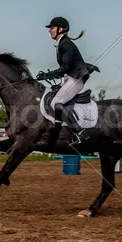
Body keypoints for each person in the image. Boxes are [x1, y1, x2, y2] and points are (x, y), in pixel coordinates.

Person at [40, 16, 95, 145]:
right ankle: (57, 131)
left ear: (61, 29)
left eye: (52, 28)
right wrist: (48, 75)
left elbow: (66, 67)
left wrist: (49, 75)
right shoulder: (61, 44)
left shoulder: (66, 44)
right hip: (70, 78)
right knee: (52, 100)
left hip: (76, 79)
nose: (50, 30)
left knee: (57, 103)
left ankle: (80, 132)